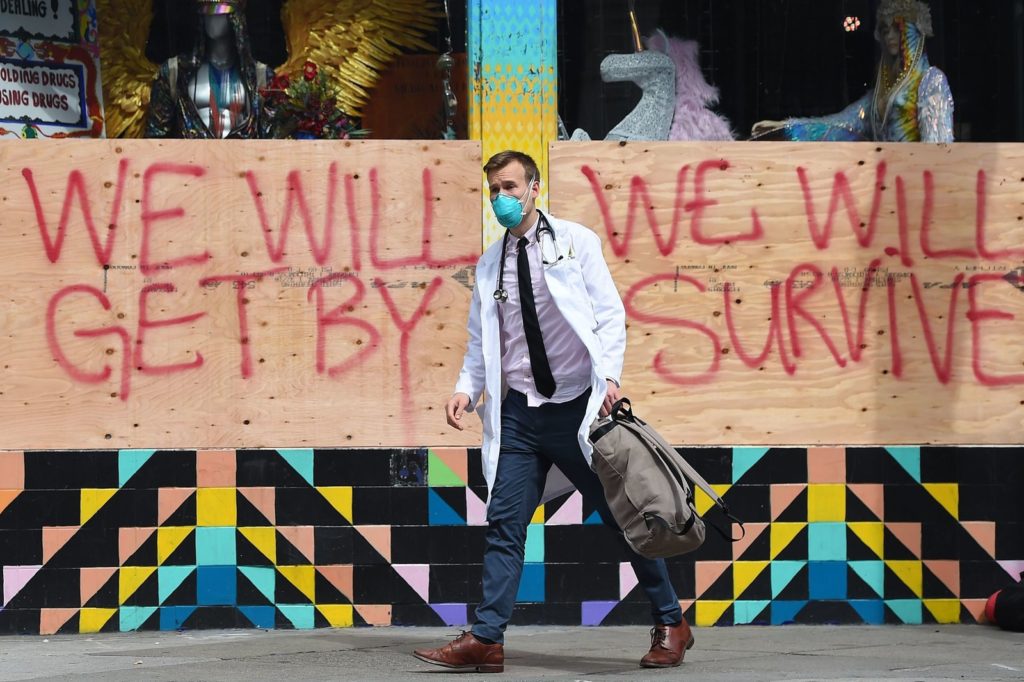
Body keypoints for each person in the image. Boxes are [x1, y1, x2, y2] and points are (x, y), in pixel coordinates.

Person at [412, 150, 693, 674]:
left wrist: (608, 378)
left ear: (535, 188)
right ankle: (488, 639)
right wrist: (466, 388)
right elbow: (481, 339)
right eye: (494, 189)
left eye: (511, 187)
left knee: (621, 518)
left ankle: (672, 620)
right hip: (520, 413)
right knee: (504, 521)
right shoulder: (489, 263)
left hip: (575, 409)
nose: (502, 198)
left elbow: (609, 315)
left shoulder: (576, 243)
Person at [751, 0, 953, 142]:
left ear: (915, 31)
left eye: (896, 28)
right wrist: (785, 129)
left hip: (916, 186)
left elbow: (939, 148)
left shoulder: (932, 81)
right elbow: (837, 126)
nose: (890, 35)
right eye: (884, 29)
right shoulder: (876, 98)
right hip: (886, 185)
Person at [145, 0, 273, 138]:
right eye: (207, 13)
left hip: (246, 157)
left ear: (236, 18)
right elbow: (155, 139)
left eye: (219, 13)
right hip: (189, 158)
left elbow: (275, 144)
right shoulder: (174, 73)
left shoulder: (262, 77)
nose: (212, 19)